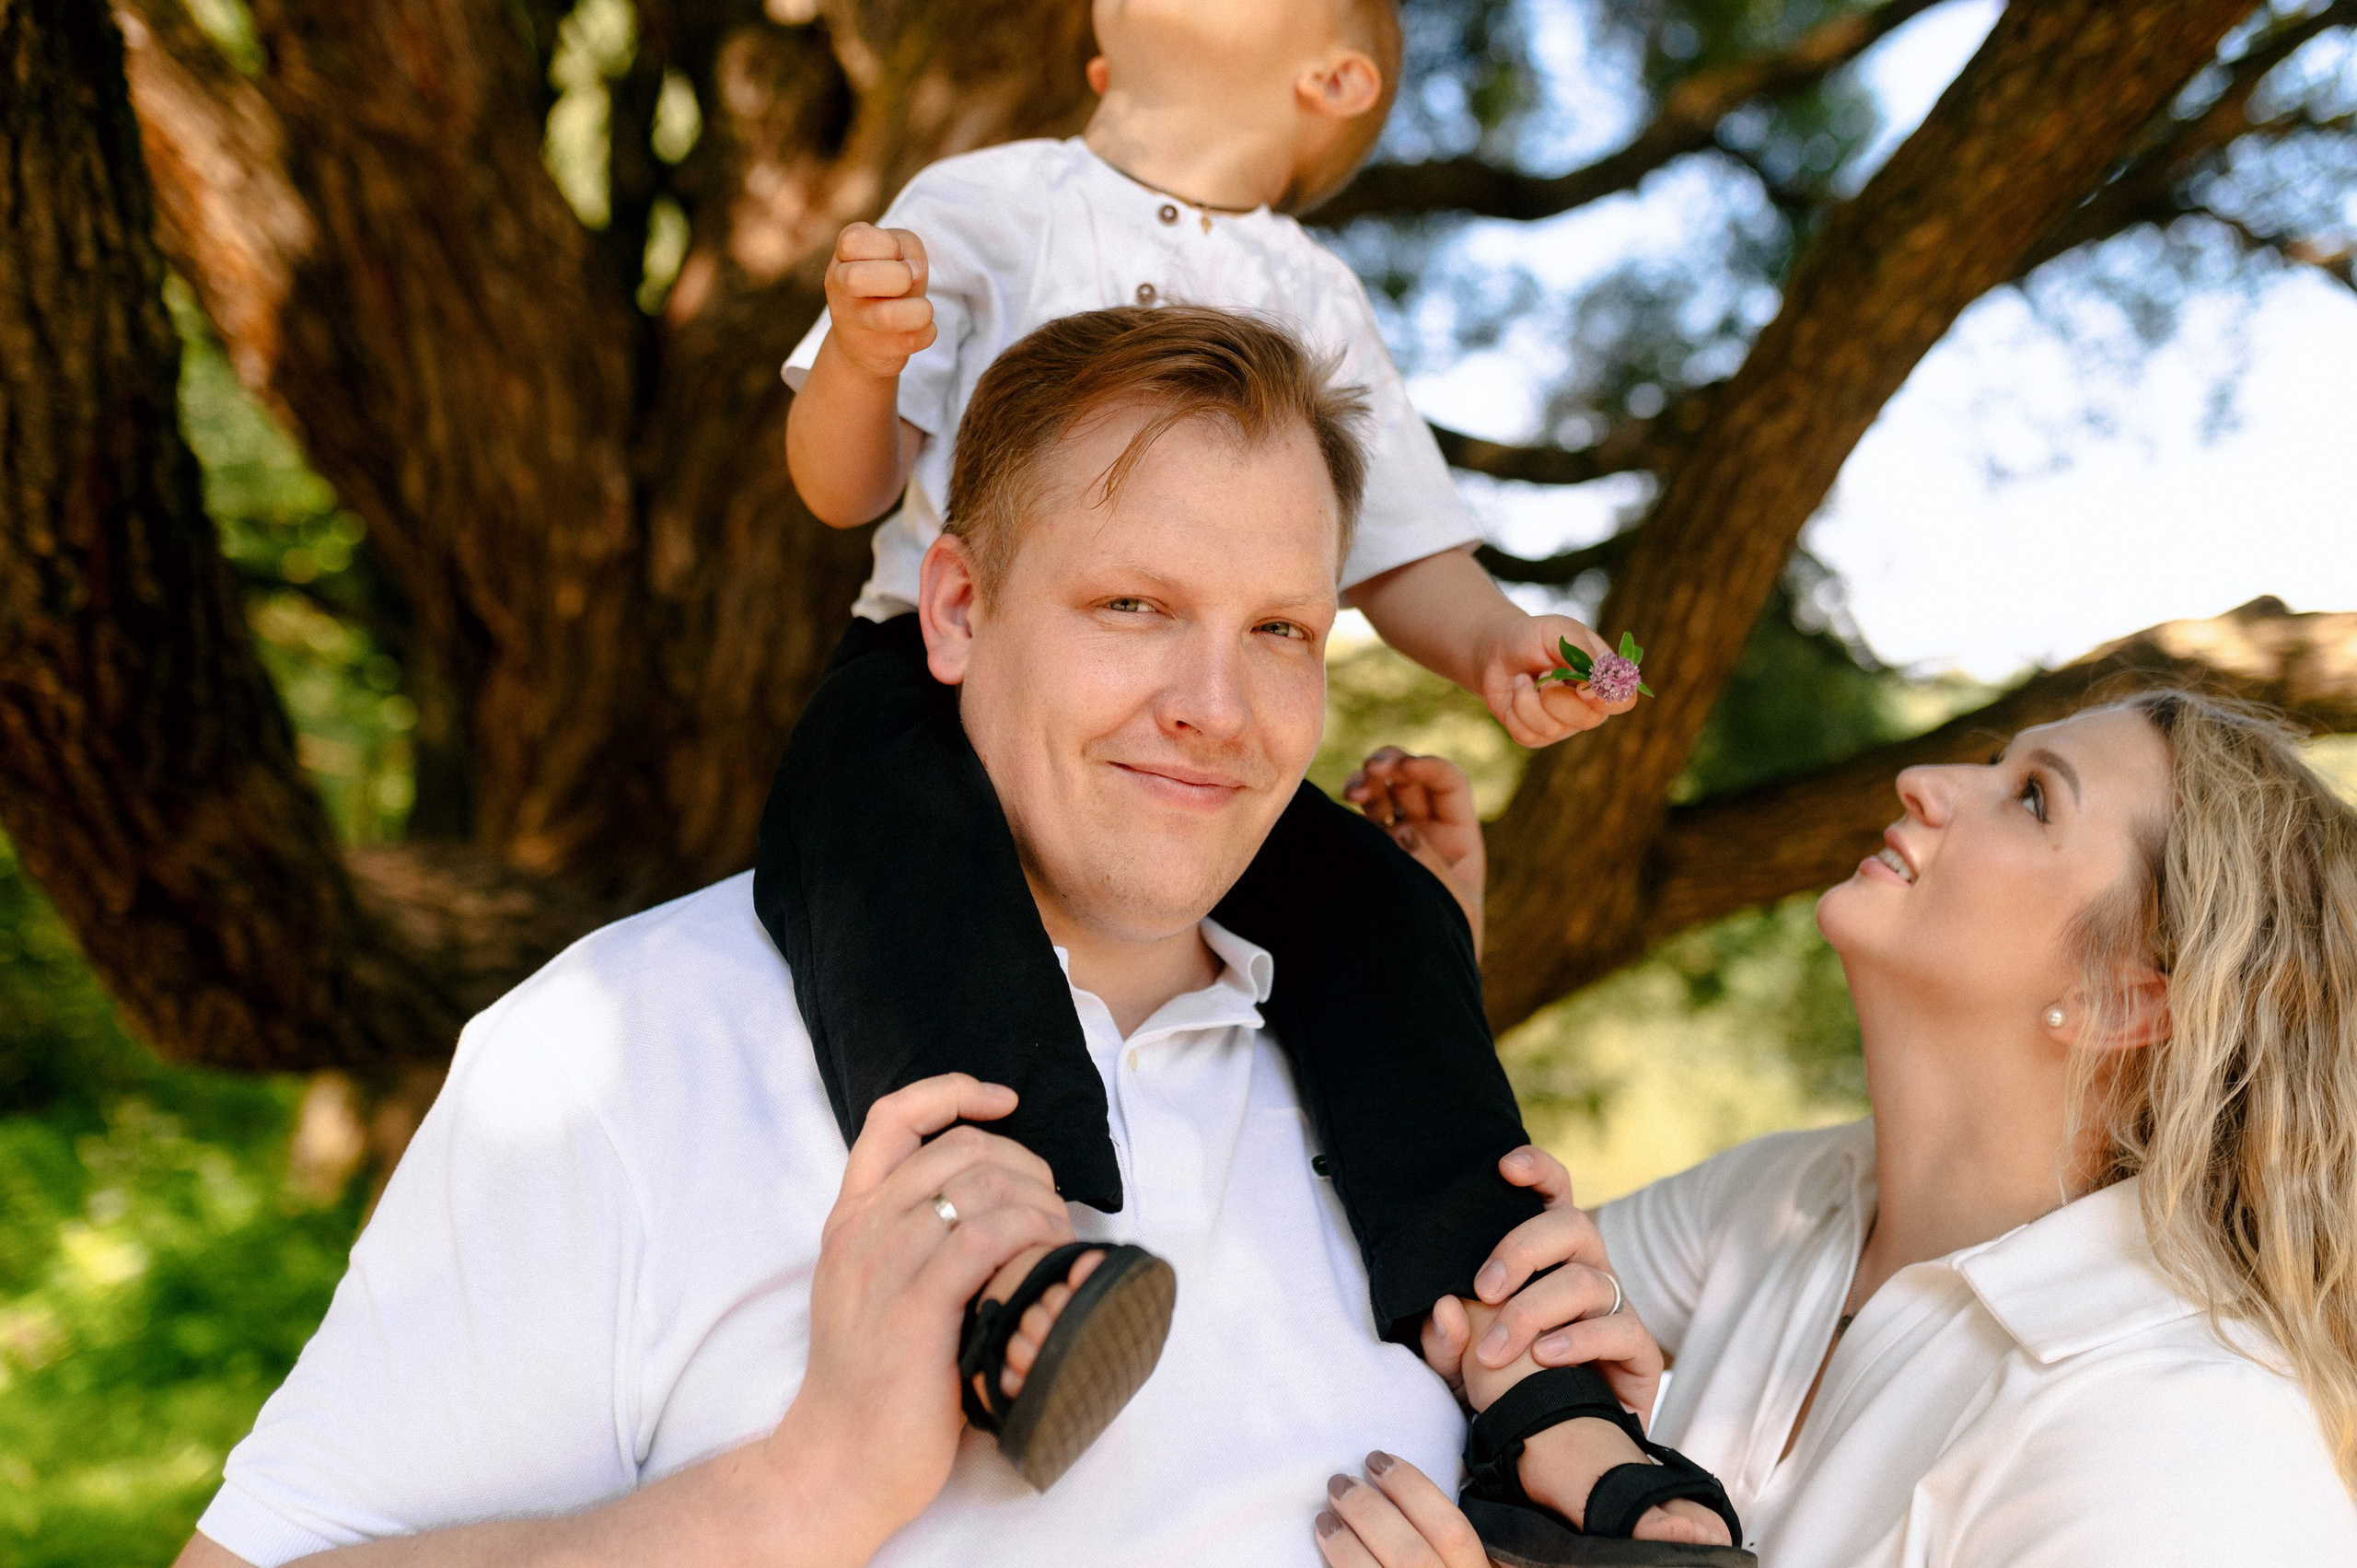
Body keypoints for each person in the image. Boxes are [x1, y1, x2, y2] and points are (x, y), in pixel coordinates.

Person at [174, 308, 1732, 1568]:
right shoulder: (624, 1046)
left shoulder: (1396, 1102)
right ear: (957, 610)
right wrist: (803, 1489)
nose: (1218, 707)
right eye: (1133, 605)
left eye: (1278, 629)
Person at [764, 0, 1645, 1496]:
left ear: (1334, 75)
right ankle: (1012, 1265)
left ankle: (1536, 1372)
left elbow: (1400, 555)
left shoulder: (1315, 298)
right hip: (931, 671)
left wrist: (1501, 640)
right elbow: (845, 487)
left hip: (1191, 737)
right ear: (1100, 58)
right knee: (895, 855)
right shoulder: (990, 201)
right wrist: (858, 358)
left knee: (1389, 916)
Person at [1315, 691, 2357, 1565]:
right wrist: (1429, 972)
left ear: (2121, 1000)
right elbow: (1465, 1293)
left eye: (2033, 797)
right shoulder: (1794, 1196)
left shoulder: (2191, 1442)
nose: (1925, 780)